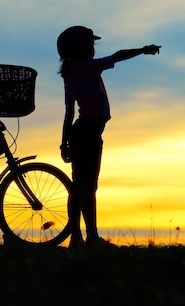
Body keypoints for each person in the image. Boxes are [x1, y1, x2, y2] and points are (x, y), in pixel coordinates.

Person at [57, 25, 160, 247]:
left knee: (78, 186)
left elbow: (69, 113)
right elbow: (118, 56)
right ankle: (92, 236)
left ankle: (76, 235)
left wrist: (64, 142)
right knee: (88, 185)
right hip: (90, 133)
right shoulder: (88, 68)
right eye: (90, 44)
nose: (93, 49)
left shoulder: (70, 73)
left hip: (79, 131)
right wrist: (142, 50)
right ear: (78, 48)